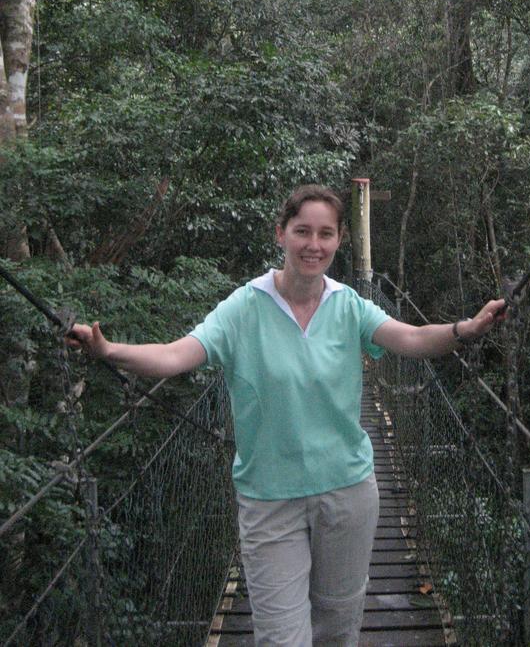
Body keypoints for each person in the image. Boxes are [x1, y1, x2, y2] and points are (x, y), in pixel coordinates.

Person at [68, 183, 506, 647]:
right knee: (281, 637)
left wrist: (466, 329)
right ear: (280, 233)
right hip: (269, 499)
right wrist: (108, 351)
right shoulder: (243, 308)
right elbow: (177, 355)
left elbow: (412, 338)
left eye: (325, 233)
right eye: (302, 231)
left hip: (347, 492)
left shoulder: (349, 306)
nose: (313, 244)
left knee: (338, 626)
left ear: (339, 240)